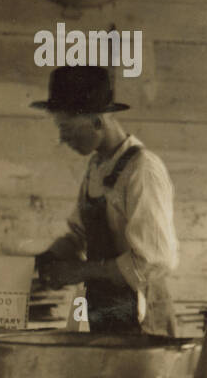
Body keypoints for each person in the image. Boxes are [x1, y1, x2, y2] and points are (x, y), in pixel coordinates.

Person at [30, 66, 179, 336]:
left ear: (98, 122)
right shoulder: (97, 167)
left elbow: (152, 261)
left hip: (143, 319)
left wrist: (79, 271)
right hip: (107, 312)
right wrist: (46, 260)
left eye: (67, 128)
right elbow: (78, 236)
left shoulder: (142, 169)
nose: (63, 139)